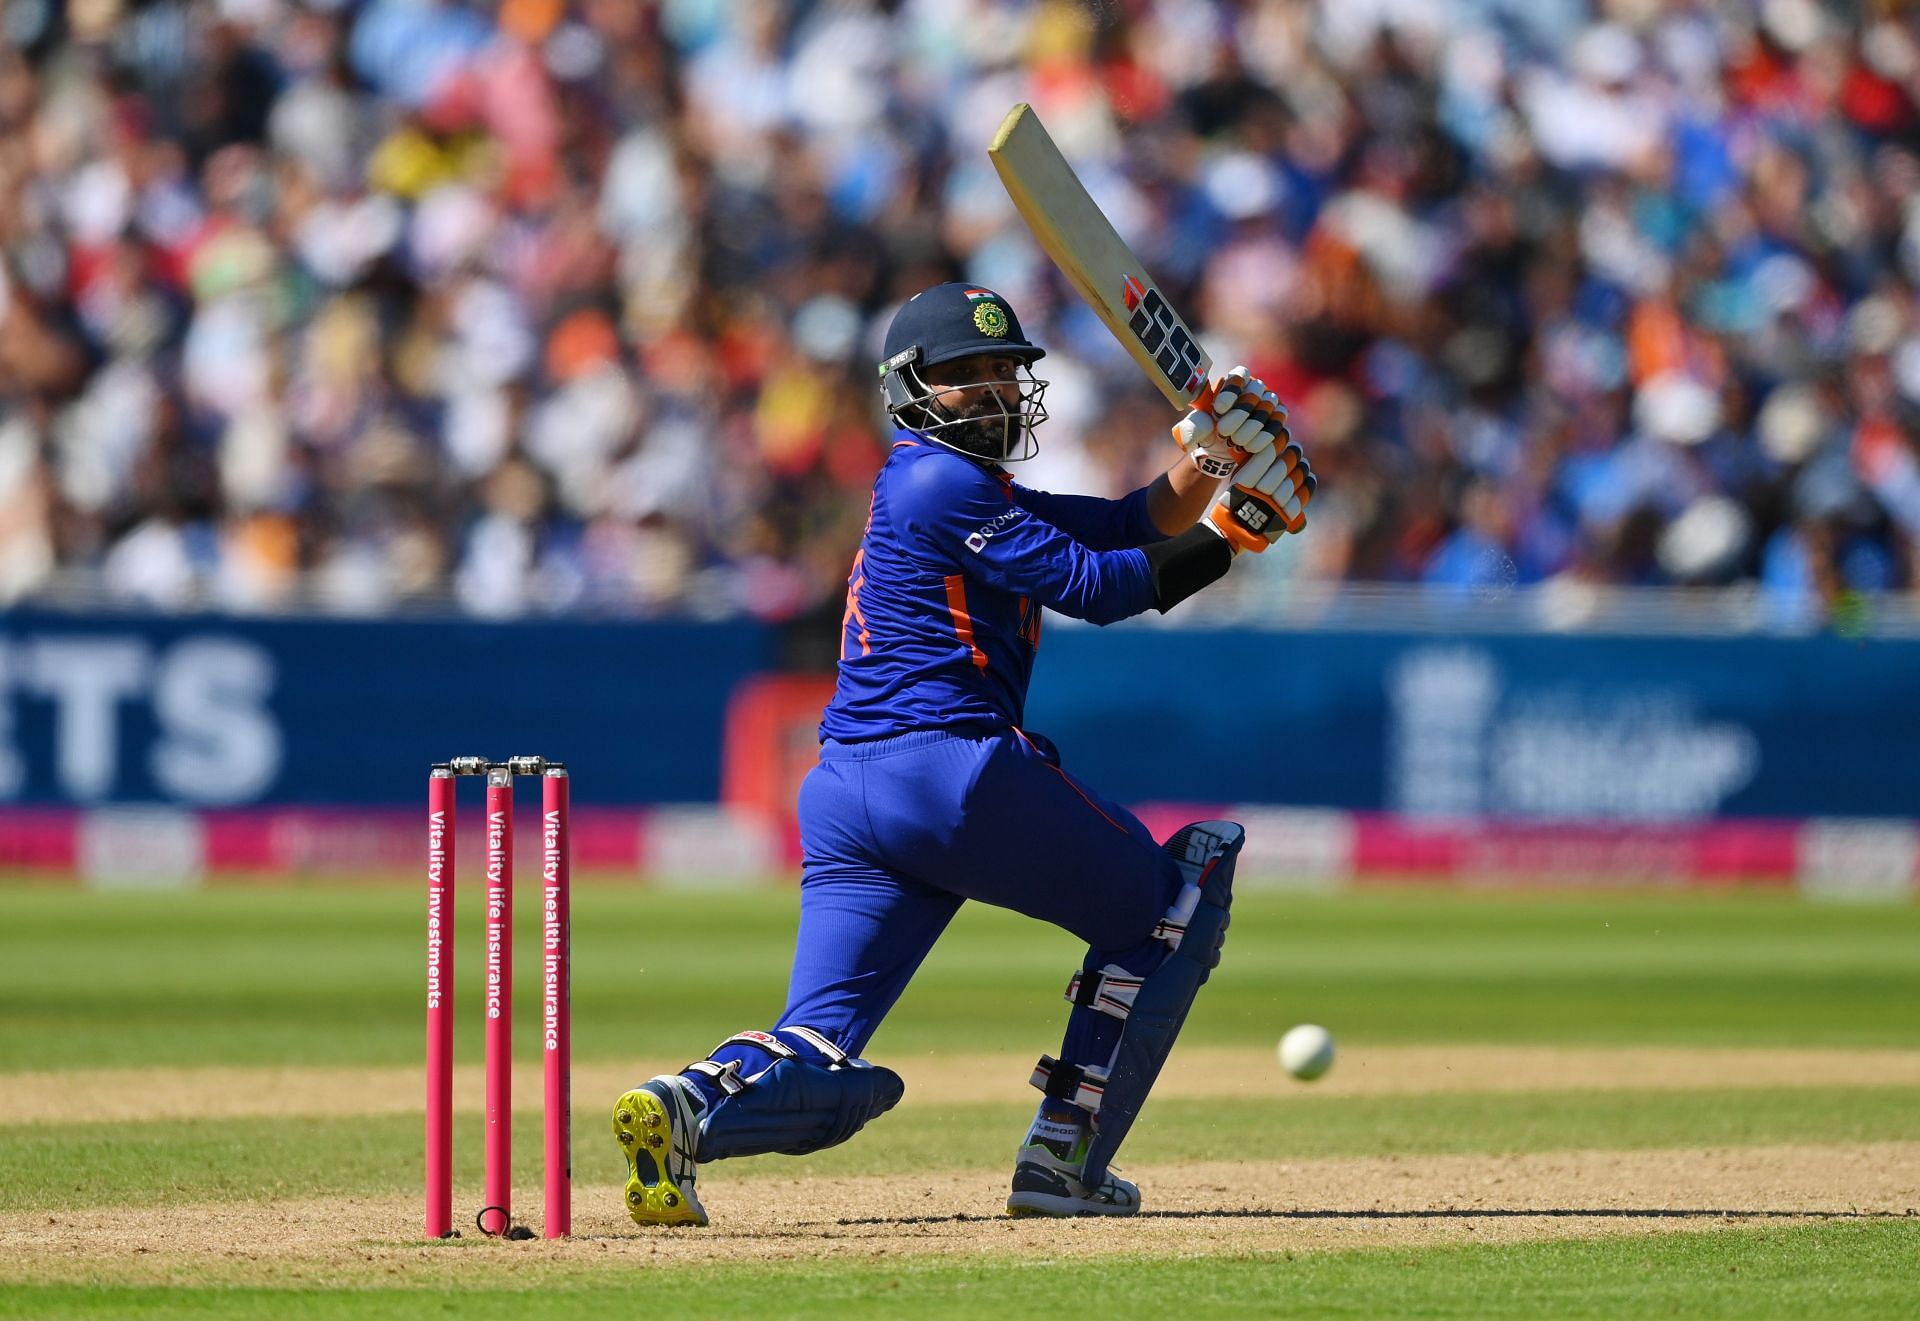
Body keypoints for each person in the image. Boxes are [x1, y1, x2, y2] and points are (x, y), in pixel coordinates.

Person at [613, 282, 1315, 1223]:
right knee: (1171, 909)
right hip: (947, 772)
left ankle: (686, 1108)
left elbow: (1119, 523)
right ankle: (1063, 1162)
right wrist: (1238, 530)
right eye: (963, 375)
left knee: (821, 1043)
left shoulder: (960, 485)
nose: (989, 390)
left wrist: (1207, 462)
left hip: (850, 791)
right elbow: (1102, 587)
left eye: (1002, 370)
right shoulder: (936, 481)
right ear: (910, 389)